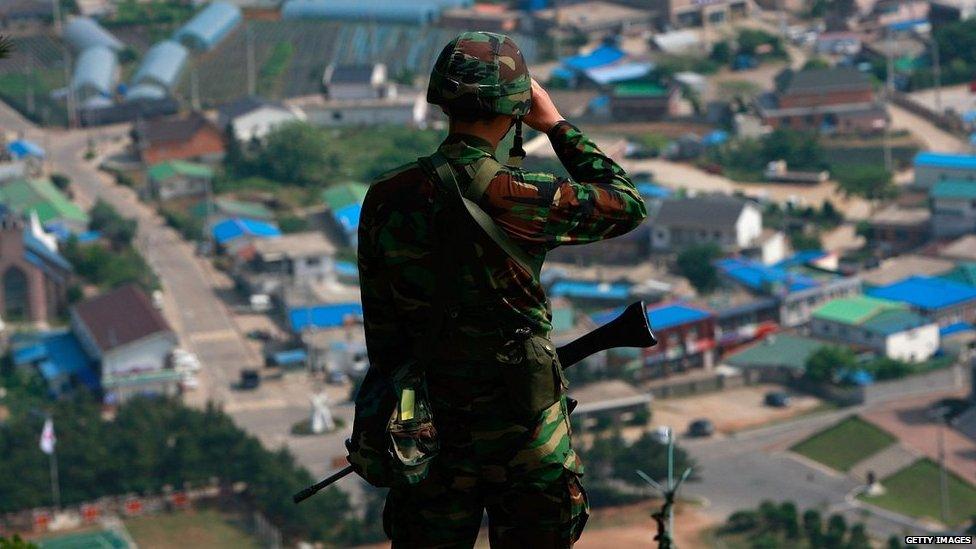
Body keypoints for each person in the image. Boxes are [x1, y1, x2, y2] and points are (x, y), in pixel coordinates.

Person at [348, 31, 647, 547]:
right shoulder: (519, 195)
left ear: (443, 99)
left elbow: (382, 325)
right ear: (516, 108)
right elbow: (626, 203)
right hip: (522, 427)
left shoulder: (386, 197)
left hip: (426, 424)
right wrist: (554, 125)